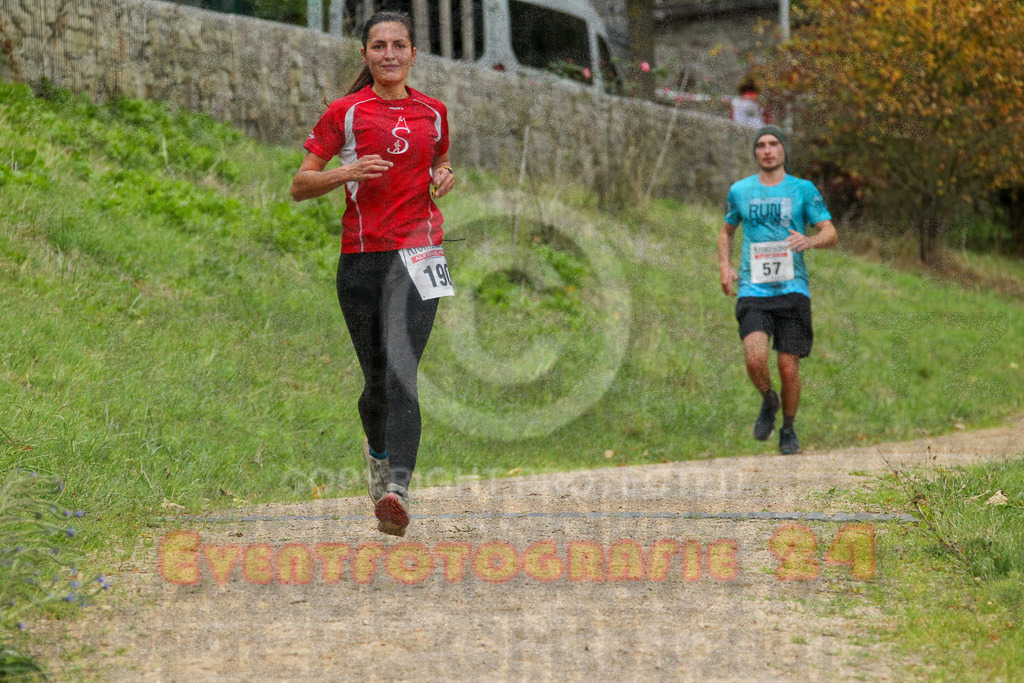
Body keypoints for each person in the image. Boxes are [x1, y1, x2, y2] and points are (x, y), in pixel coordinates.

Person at [290, 11, 455, 536]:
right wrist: (349, 170)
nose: (389, 54)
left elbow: (440, 159)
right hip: (361, 257)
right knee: (376, 383)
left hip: (421, 255)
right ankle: (378, 454)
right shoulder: (345, 112)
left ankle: (397, 491)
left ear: (413, 53)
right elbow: (300, 185)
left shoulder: (435, 111)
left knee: (403, 373)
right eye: (379, 46)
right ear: (364, 54)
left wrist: (444, 174)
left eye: (398, 45)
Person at [717, 125, 837, 454]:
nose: (767, 150)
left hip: (792, 289)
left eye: (773, 144)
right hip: (754, 289)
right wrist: (725, 266)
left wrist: (808, 240)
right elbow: (726, 232)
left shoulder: (803, 189)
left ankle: (788, 428)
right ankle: (769, 400)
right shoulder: (740, 191)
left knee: (788, 366)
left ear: (783, 150)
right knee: (755, 359)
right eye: (761, 145)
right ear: (755, 153)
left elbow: (830, 231)